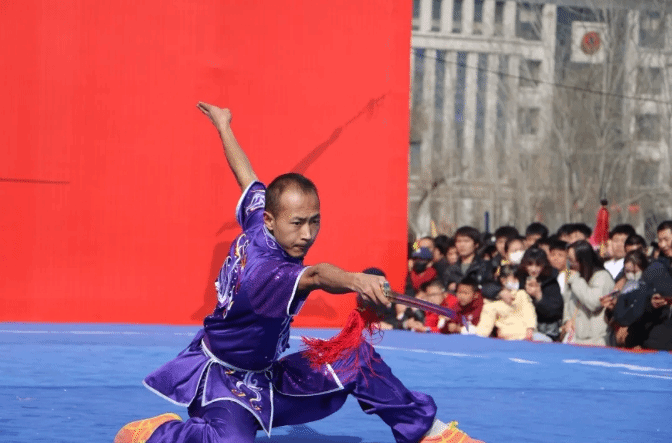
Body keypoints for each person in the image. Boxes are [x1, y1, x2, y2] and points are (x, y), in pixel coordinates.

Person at [114, 103, 484, 443]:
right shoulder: (266, 273)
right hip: (223, 382)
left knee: (356, 359)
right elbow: (317, 275)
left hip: (267, 375)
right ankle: (160, 432)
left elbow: (247, 178)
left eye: (314, 221)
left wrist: (224, 126)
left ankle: (429, 434)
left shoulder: (259, 221)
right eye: (297, 223)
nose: (307, 234)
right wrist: (356, 280)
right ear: (272, 220)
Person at [561, 240, 614, 345]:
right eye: (568, 260)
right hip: (575, 337)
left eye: (572, 261)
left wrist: (576, 280)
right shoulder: (573, 276)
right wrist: (567, 320)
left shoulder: (602, 276)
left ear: (582, 260)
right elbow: (567, 302)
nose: (570, 265)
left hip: (596, 339)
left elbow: (594, 303)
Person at [476, 264, 537, 341]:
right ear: (503, 280)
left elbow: (529, 312)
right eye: (514, 278)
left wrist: (530, 329)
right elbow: (485, 325)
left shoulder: (522, 294)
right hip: (505, 339)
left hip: (526, 336)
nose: (517, 281)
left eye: (517, 279)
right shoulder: (491, 302)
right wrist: (479, 338)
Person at [517, 248, 564, 341]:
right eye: (530, 264)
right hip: (521, 329)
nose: (533, 269)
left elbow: (556, 312)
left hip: (547, 331)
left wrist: (539, 296)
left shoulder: (551, 282)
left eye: (538, 265)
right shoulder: (518, 278)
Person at [443, 226, 497, 300]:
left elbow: (492, 288)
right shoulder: (450, 269)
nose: (462, 245)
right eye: (459, 241)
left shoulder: (485, 266)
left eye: (466, 241)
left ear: (476, 244)